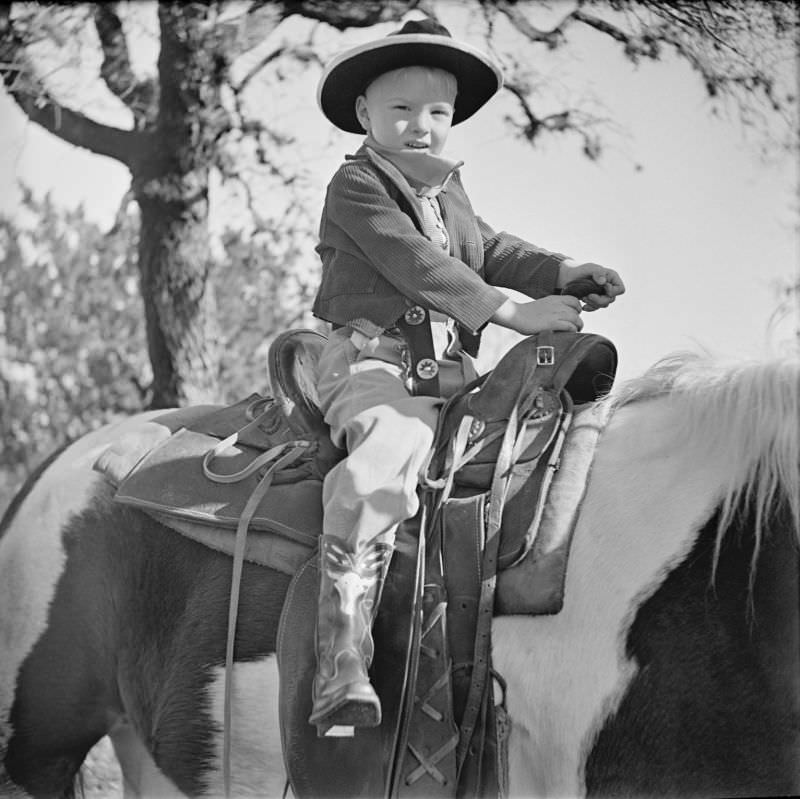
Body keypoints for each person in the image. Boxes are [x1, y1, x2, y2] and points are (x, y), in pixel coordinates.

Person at [308, 17, 625, 735]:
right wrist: (512, 311)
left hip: (449, 379)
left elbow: (488, 250)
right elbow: (425, 267)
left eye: (438, 113)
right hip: (375, 368)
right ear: (364, 115)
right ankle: (340, 658)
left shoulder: (447, 191)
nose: (421, 126)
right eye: (401, 110)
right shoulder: (356, 187)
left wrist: (561, 271)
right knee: (383, 459)